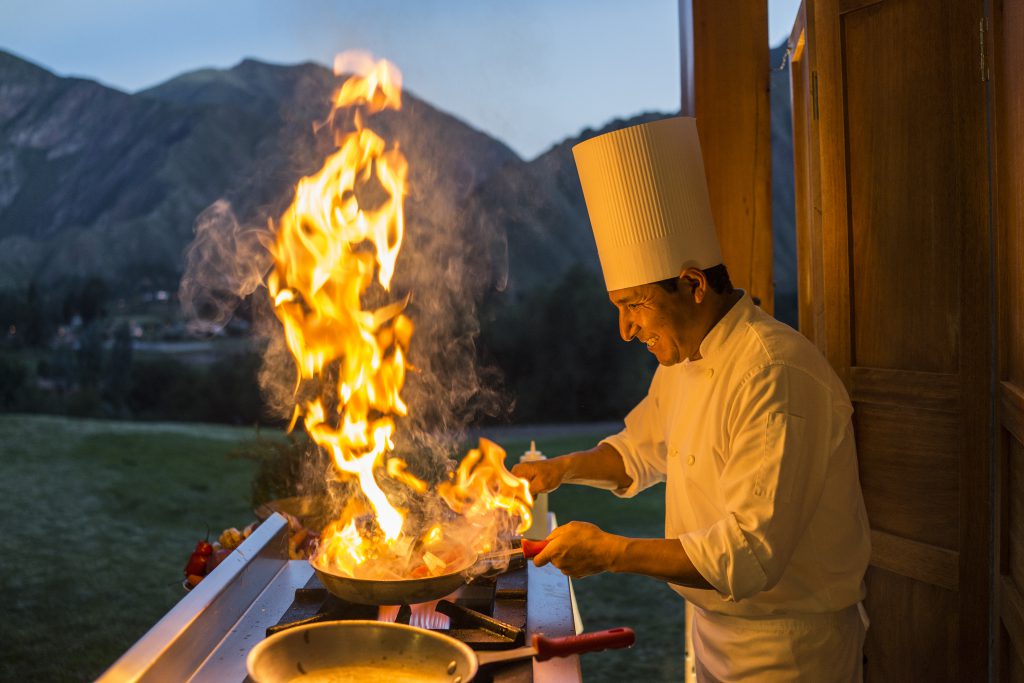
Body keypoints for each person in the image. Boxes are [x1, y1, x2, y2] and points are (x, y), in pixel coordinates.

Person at [511, 117, 871, 682]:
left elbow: (749, 554)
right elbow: (639, 450)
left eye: (634, 305)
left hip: (790, 651)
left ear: (693, 284)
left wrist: (610, 552)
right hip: (714, 636)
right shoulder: (684, 359)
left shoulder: (773, 372)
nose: (626, 330)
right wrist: (557, 470)